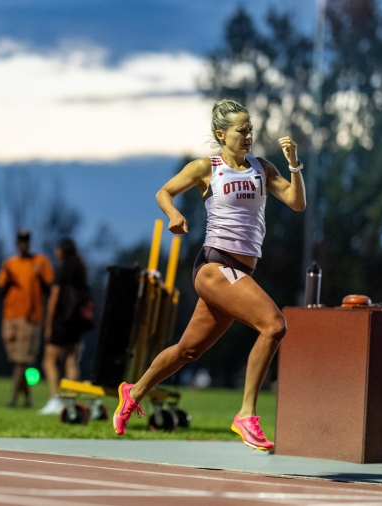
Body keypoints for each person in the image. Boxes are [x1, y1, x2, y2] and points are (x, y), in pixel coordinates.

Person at [113, 99, 306, 451]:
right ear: (221, 134)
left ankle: (133, 391)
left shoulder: (261, 168)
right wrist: (173, 214)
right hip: (215, 266)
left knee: (189, 350)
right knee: (274, 325)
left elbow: (296, 202)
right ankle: (246, 415)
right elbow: (164, 192)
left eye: (251, 129)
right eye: (241, 130)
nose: (248, 135)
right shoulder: (208, 167)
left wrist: (294, 165)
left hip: (239, 272)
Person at [0, 229, 54, 408]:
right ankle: (28, 399)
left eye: (26, 240)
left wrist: (38, 276)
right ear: (16, 243)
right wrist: (8, 280)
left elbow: (50, 288)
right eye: (21, 240)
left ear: (30, 242)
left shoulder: (40, 262)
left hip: (30, 317)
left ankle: (13, 399)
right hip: (10, 316)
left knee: (22, 361)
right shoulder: (10, 264)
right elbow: (0, 290)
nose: (24, 244)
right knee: (16, 360)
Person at [39, 238, 92, 415]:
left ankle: (55, 399)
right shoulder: (80, 272)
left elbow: (54, 299)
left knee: (49, 361)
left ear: (62, 251)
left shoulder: (62, 272)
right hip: (76, 324)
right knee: (71, 361)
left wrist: (48, 324)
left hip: (61, 322)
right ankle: (71, 401)